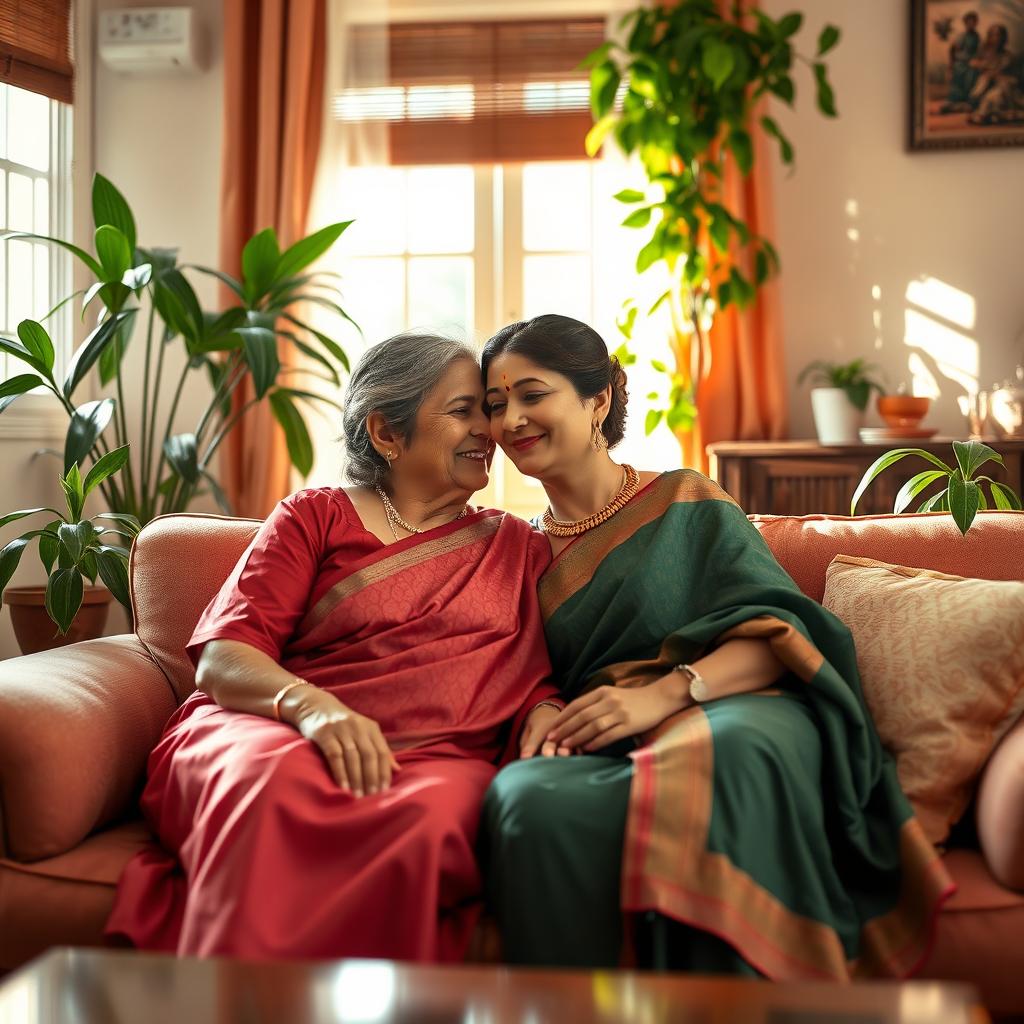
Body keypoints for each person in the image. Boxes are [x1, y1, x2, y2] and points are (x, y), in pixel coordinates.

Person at [479, 314, 954, 979]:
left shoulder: (684, 498)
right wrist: (543, 704)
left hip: (732, 701)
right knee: (527, 800)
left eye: (532, 394)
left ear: (598, 401)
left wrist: (667, 693)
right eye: (496, 405)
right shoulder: (517, 552)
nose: (511, 421)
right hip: (603, 731)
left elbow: (779, 635)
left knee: (722, 753)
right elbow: (518, 672)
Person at [106, 331, 563, 962]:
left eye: (485, 411)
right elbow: (224, 653)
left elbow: (531, 665)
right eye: (463, 411)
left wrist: (544, 705)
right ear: (386, 433)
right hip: (278, 728)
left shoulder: (517, 545)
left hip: (436, 756)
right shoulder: (313, 517)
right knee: (268, 782)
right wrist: (314, 709)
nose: (489, 429)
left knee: (431, 821)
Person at [941, 11, 981, 112]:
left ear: (976, 23)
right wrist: (964, 60)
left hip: (972, 62)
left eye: (974, 22)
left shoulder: (976, 36)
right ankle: (955, 100)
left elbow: (978, 51)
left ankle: (969, 100)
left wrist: (976, 60)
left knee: (974, 71)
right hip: (961, 62)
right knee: (961, 70)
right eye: (969, 22)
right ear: (965, 23)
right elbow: (954, 51)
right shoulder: (962, 36)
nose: (971, 24)